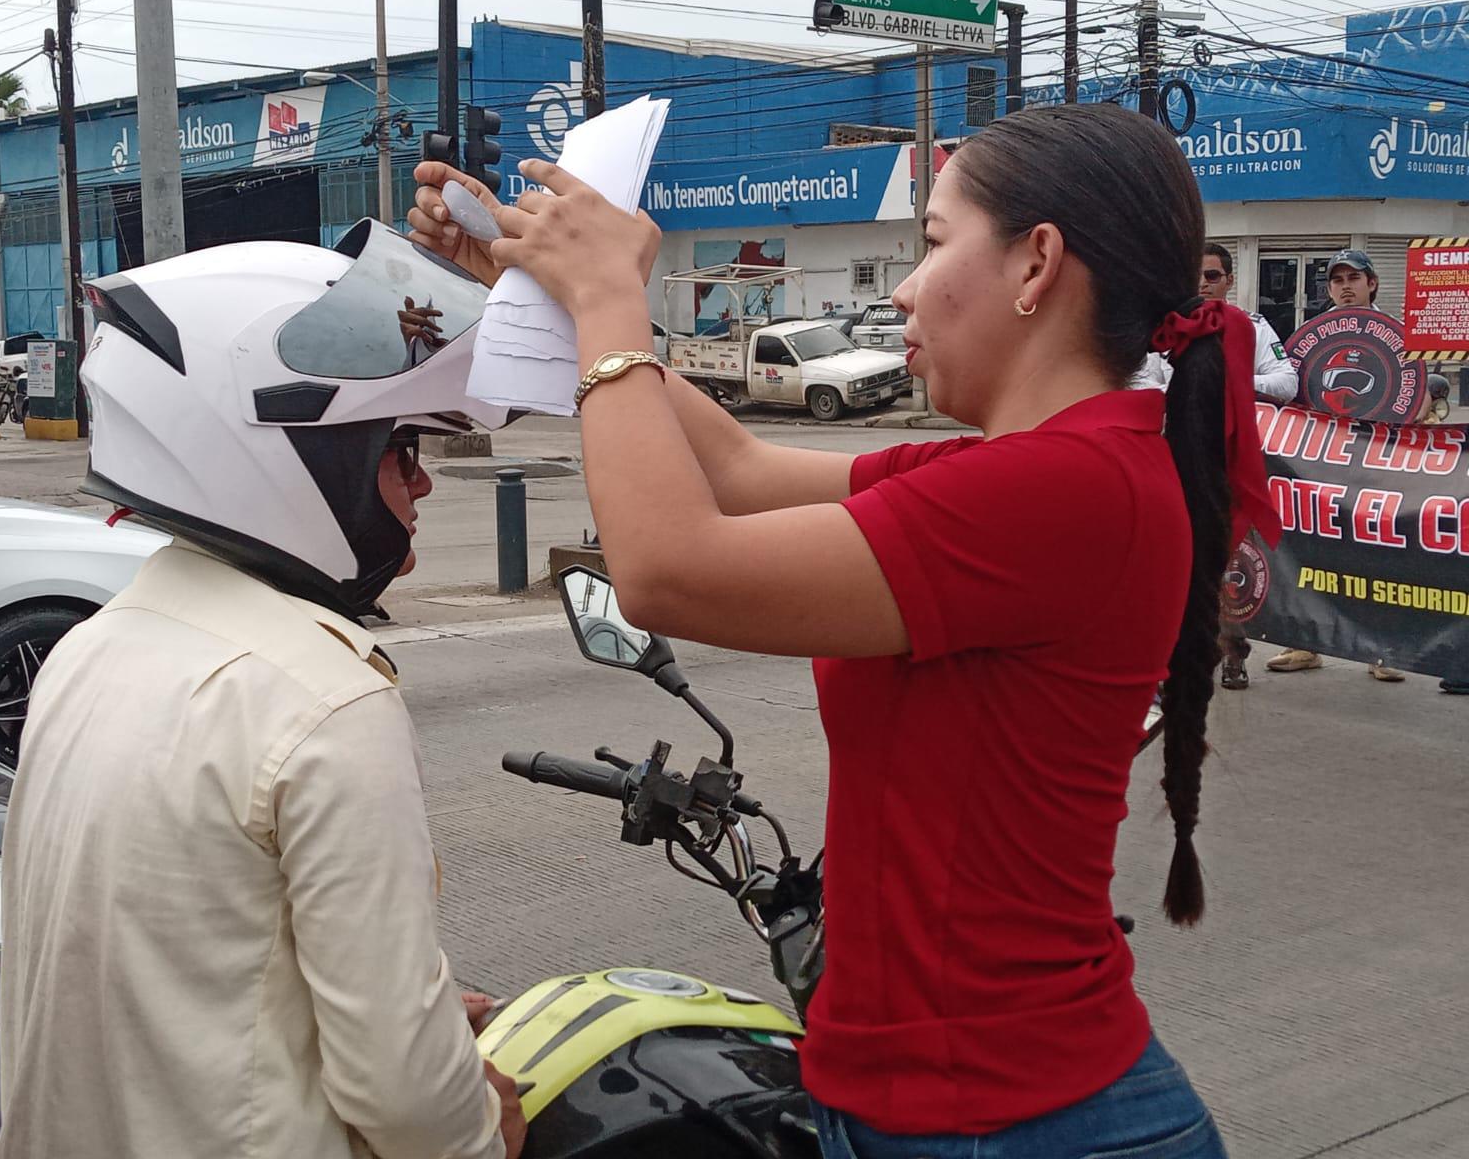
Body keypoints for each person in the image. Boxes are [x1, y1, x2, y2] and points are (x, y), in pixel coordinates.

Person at [411, 103, 1255, 1157]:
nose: (901, 288)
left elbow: (668, 572)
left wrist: (612, 300)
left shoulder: (1067, 486)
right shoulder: (1019, 467)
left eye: (934, 245)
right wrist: (545, 296)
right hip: (939, 1099)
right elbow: (740, 471)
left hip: (1009, 1119)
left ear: (1035, 263)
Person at [0, 223, 526, 1159]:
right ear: (310, 458)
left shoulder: (92, 649)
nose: (424, 482)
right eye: (400, 449)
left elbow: (181, 960)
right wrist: (485, 1131)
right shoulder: (324, 701)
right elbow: (401, 1092)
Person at [1133, 242, 1296, 690]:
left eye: (1212, 276)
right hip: (1171, 458)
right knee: (1175, 562)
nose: (1204, 285)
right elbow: (1142, 384)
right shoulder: (1165, 331)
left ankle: (1232, 654)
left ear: (1228, 279)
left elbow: (1287, 381)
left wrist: (1231, 382)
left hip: (1230, 462)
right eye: (1197, 276)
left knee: (1231, 563)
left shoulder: (1252, 329)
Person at [1265, 248, 1407, 682]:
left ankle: (1380, 651)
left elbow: (1418, 391)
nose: (1345, 286)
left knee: (1376, 555)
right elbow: (1294, 391)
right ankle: (1304, 643)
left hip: (1381, 460)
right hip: (1323, 461)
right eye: (1337, 280)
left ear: (1372, 282)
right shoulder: (1312, 334)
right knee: (1314, 548)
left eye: (1354, 278)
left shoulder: (1400, 335)